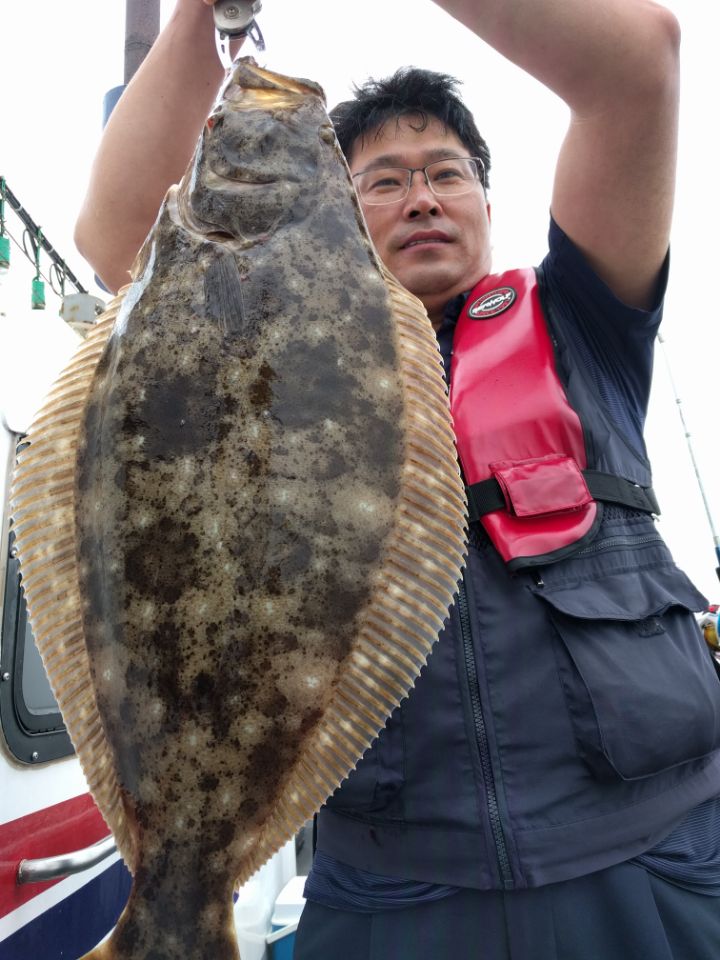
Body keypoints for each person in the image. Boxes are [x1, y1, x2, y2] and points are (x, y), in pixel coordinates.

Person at [74, 1, 720, 957]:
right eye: (383, 181)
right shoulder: (247, 354)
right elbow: (109, 236)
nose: (421, 198)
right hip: (389, 890)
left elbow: (641, 65)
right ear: (337, 212)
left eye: (446, 174)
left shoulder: (584, 322)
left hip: (648, 860)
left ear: (488, 203)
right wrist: (207, 12)